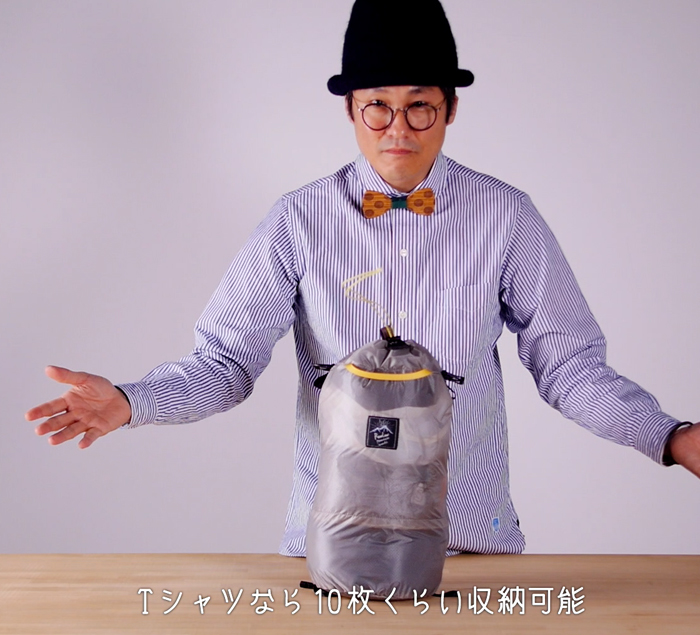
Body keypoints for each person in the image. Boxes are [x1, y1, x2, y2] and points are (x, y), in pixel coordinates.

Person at [25, 0, 700, 556]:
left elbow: (570, 367)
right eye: (378, 104)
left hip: (468, 549)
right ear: (350, 108)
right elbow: (225, 363)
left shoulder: (506, 217)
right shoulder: (296, 221)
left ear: (450, 110)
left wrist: (668, 436)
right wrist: (132, 401)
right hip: (327, 551)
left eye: (419, 106)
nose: (397, 128)